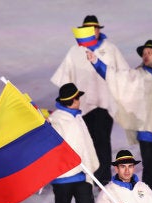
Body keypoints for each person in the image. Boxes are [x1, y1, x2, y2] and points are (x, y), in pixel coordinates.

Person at [87, 39, 152, 203]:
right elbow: (113, 76)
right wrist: (96, 62)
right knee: (150, 172)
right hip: (147, 132)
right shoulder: (136, 75)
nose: (145, 56)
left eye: (149, 53)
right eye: (143, 53)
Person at [51, 15, 129, 185]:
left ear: (99, 29)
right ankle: (88, 176)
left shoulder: (110, 49)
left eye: (95, 27)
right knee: (86, 141)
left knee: (102, 141)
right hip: (81, 106)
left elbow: (123, 74)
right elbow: (65, 78)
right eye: (89, 27)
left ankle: (103, 178)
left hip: (104, 105)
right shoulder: (75, 51)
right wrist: (67, 103)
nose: (93, 31)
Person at [48, 83, 99, 203]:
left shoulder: (76, 117)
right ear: (73, 100)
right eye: (78, 98)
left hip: (80, 176)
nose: (80, 101)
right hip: (64, 178)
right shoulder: (57, 121)